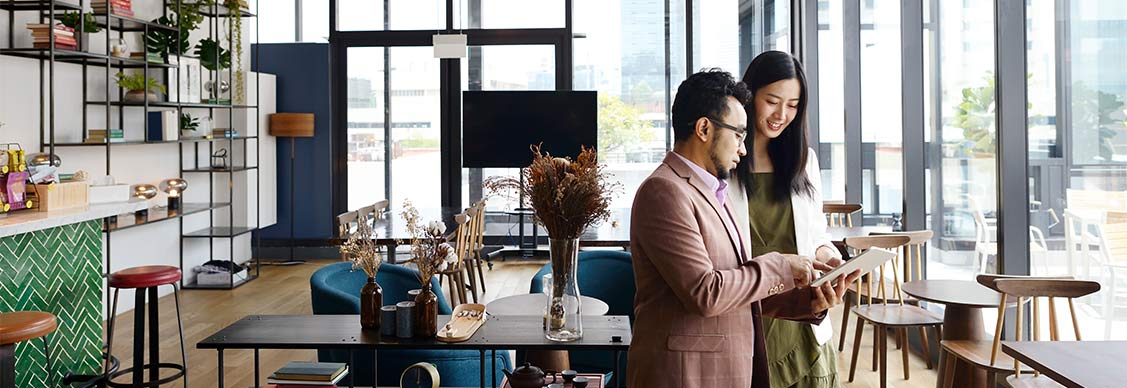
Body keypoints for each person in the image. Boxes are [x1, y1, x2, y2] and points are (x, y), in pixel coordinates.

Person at [627, 68, 860, 388]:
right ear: (704, 128)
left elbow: (737, 290)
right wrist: (780, 264)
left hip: (725, 369)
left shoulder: (711, 191)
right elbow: (705, 293)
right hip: (687, 375)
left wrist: (809, 303)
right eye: (738, 134)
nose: (744, 148)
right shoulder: (664, 191)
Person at [727, 51, 843, 388]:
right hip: (753, 314)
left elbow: (816, 232)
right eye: (772, 101)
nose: (782, 115)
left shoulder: (804, 161)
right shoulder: (725, 162)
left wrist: (826, 256)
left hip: (805, 316)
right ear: (749, 97)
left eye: (792, 105)